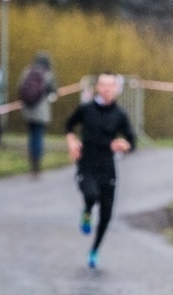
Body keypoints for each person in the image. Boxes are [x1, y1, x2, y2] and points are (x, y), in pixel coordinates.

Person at [65, 72, 136, 269]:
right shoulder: (86, 109)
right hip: (86, 164)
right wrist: (71, 141)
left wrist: (125, 144)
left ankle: (94, 250)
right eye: (103, 85)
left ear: (115, 89)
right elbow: (69, 125)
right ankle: (87, 211)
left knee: (106, 215)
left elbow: (132, 141)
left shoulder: (120, 114)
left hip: (107, 168)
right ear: (97, 87)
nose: (106, 89)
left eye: (110, 85)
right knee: (91, 194)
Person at [18, 52, 58, 176]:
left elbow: (19, 86)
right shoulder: (48, 74)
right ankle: (37, 164)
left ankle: (31, 161)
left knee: (31, 136)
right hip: (41, 111)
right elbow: (53, 90)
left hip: (28, 110)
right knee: (38, 136)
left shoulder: (27, 71)